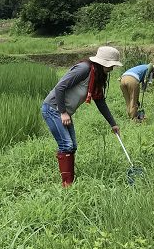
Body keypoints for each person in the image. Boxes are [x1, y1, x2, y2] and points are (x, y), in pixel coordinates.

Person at [40, 45, 122, 187]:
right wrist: (63, 112)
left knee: (72, 146)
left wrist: (113, 124)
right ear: (103, 62)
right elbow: (60, 87)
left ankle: (70, 180)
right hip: (53, 109)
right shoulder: (84, 69)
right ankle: (67, 184)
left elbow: (100, 101)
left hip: (63, 111)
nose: (112, 68)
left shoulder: (97, 75)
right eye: (111, 65)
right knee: (66, 145)